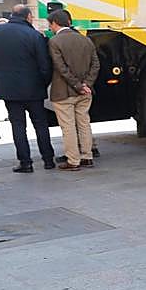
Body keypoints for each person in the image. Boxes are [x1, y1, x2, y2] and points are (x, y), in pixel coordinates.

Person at [0, 5, 55, 173]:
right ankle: (48, 160)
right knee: (40, 124)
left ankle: (25, 162)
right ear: (28, 16)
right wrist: (43, 83)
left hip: (9, 89)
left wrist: (0, 76)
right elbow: (45, 65)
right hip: (34, 88)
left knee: (17, 125)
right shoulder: (35, 35)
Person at [46, 9, 100, 172]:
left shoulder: (54, 42)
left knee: (68, 127)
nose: (50, 28)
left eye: (50, 25)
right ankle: (87, 156)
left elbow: (61, 68)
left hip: (64, 92)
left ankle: (73, 160)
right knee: (84, 123)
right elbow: (95, 65)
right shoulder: (85, 40)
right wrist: (86, 84)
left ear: (55, 23)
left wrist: (77, 85)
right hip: (85, 92)